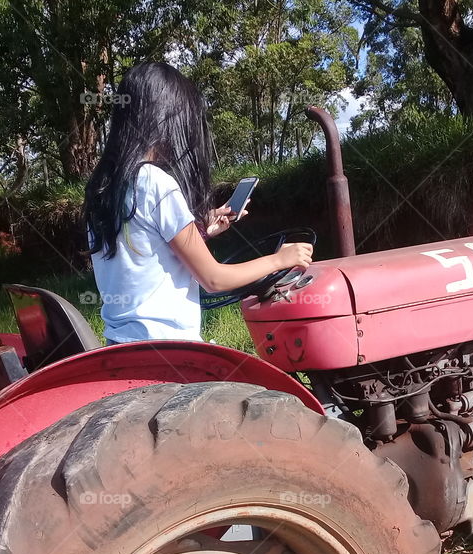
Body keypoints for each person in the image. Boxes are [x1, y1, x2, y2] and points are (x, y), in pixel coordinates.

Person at [84, 62, 313, 345]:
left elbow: (144, 250)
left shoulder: (103, 187)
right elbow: (213, 279)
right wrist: (280, 259)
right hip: (170, 348)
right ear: (170, 119)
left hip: (120, 345)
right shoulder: (156, 182)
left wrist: (202, 228)